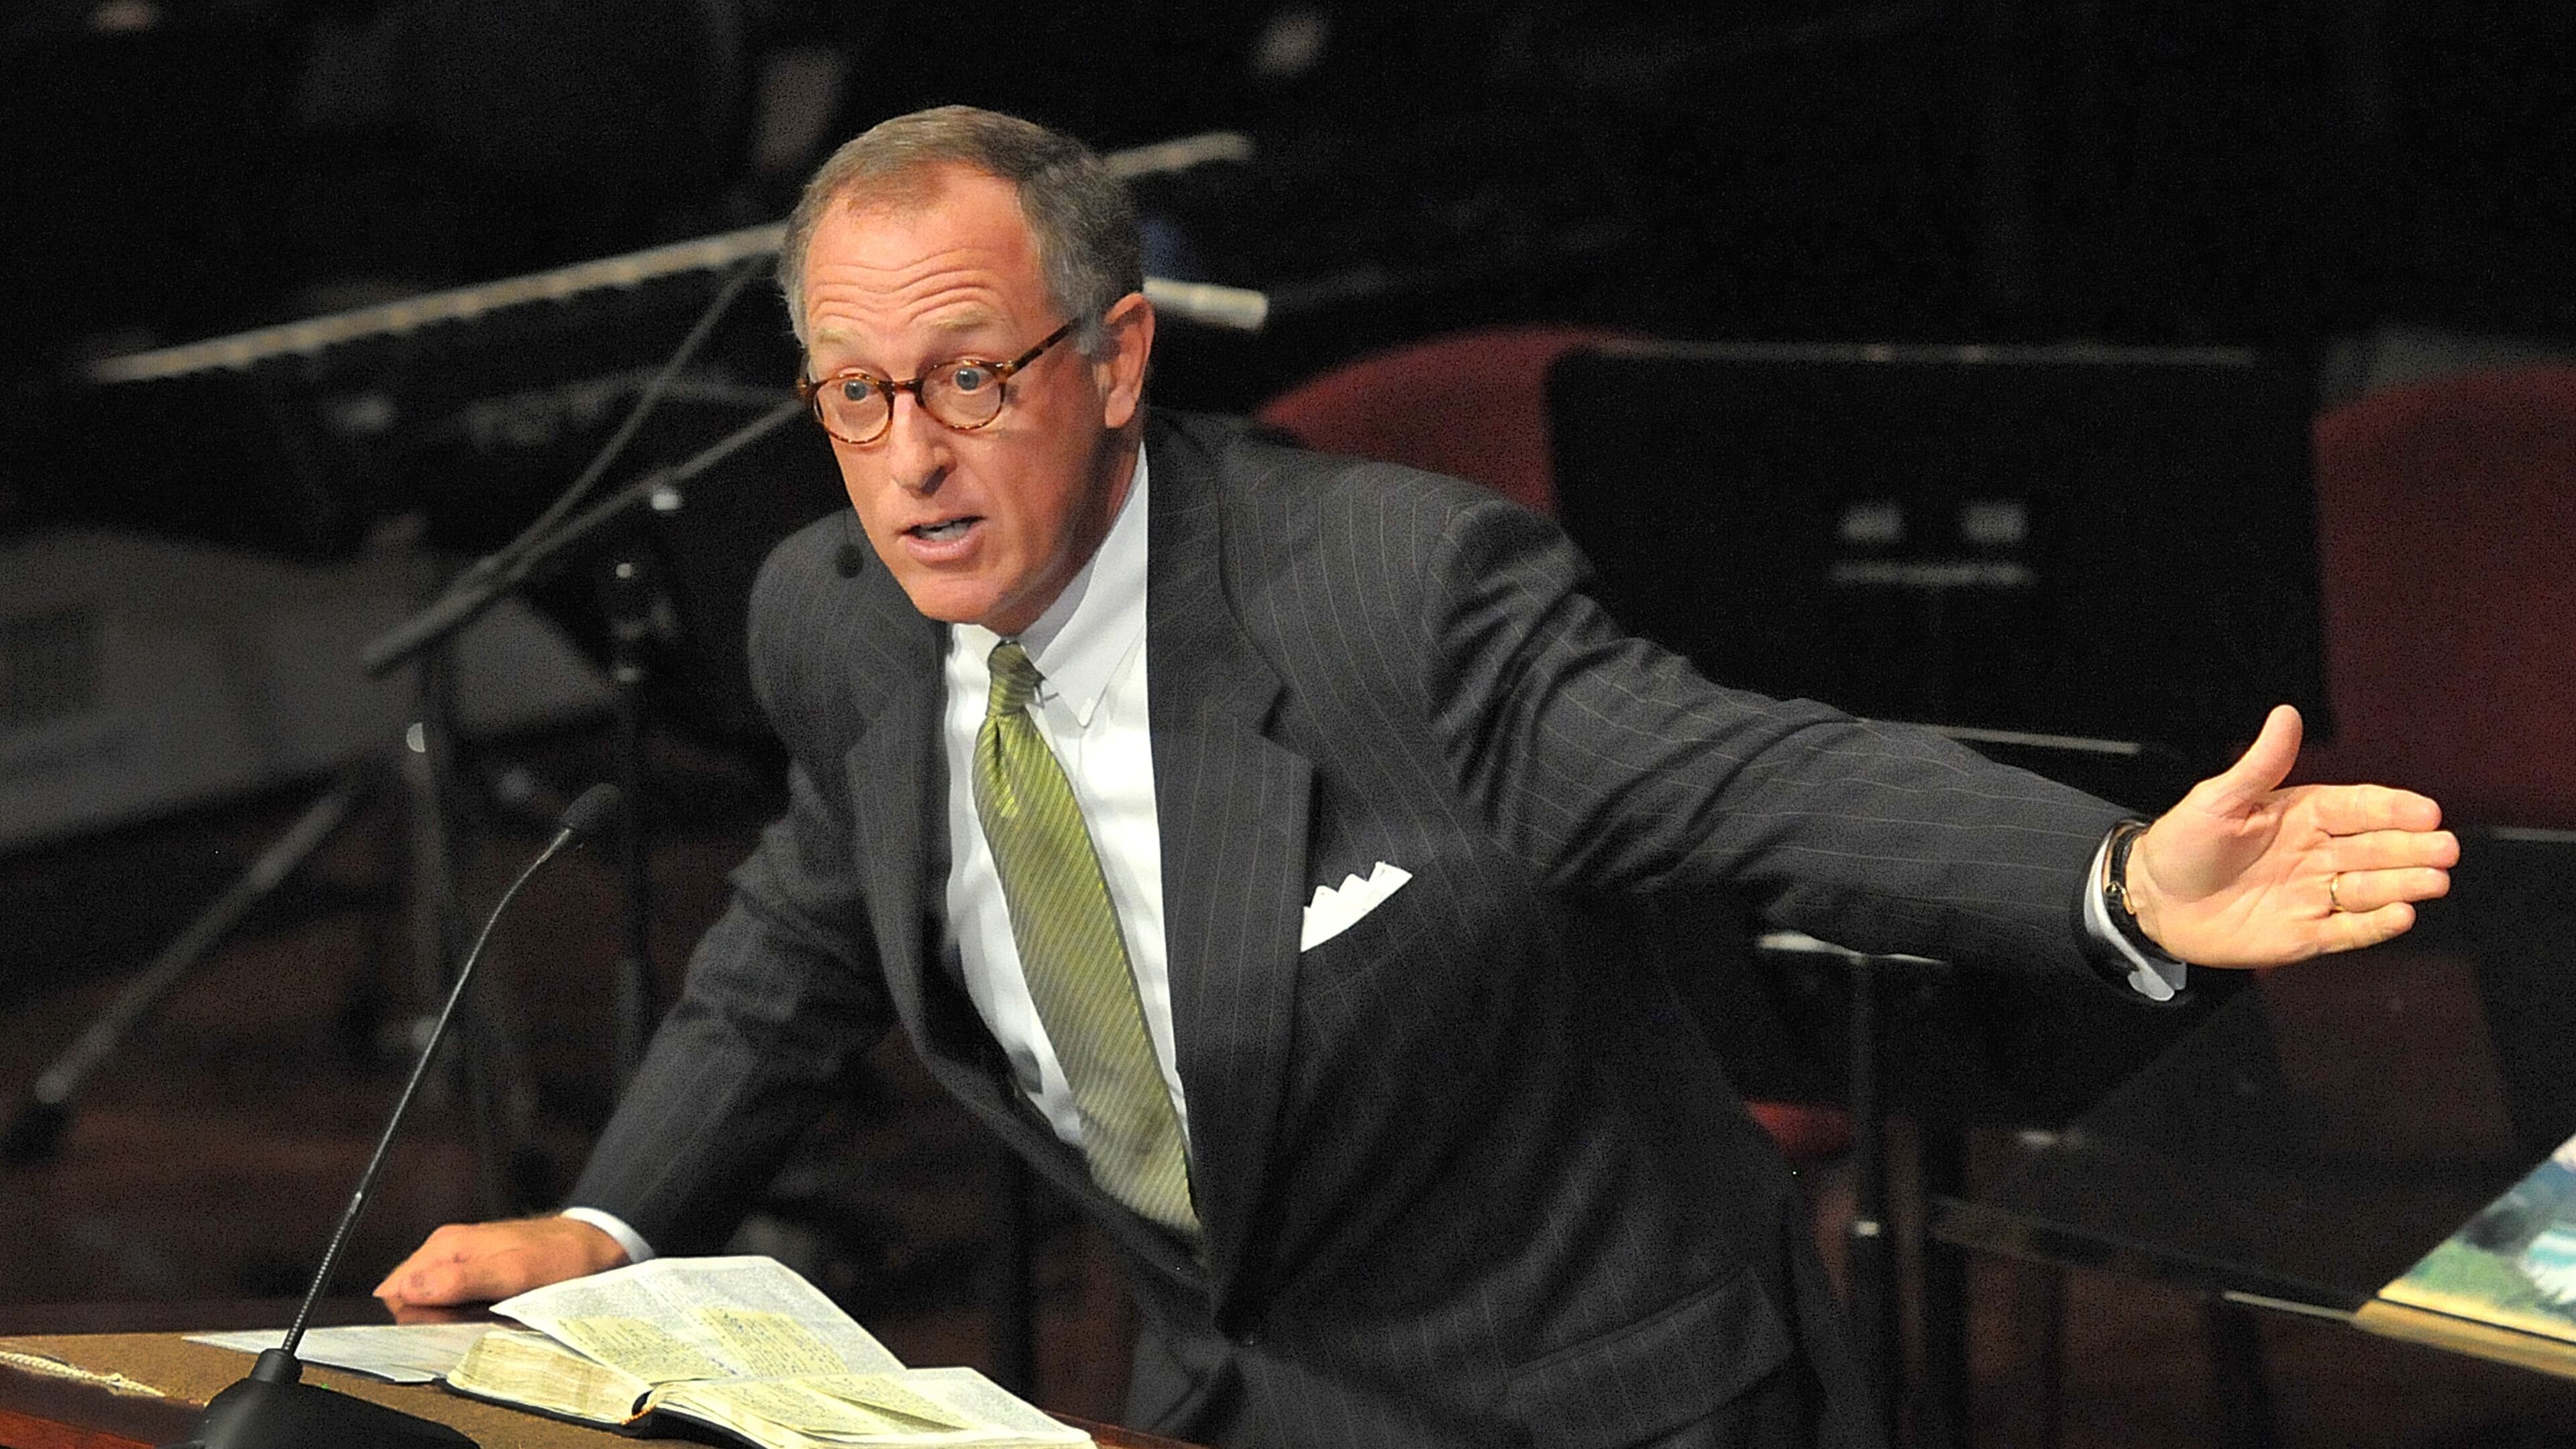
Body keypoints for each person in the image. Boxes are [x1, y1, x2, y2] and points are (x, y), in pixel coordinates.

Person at [377, 106, 2455, 1448]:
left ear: (1111, 363)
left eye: (969, 379)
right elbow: (796, 943)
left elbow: (1730, 773)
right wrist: (610, 1217)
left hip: (1598, 1401)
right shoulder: (834, 619)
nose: (910, 459)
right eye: (852, 396)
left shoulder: (1385, 591)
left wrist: (2111, 879)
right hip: (1233, 1407)